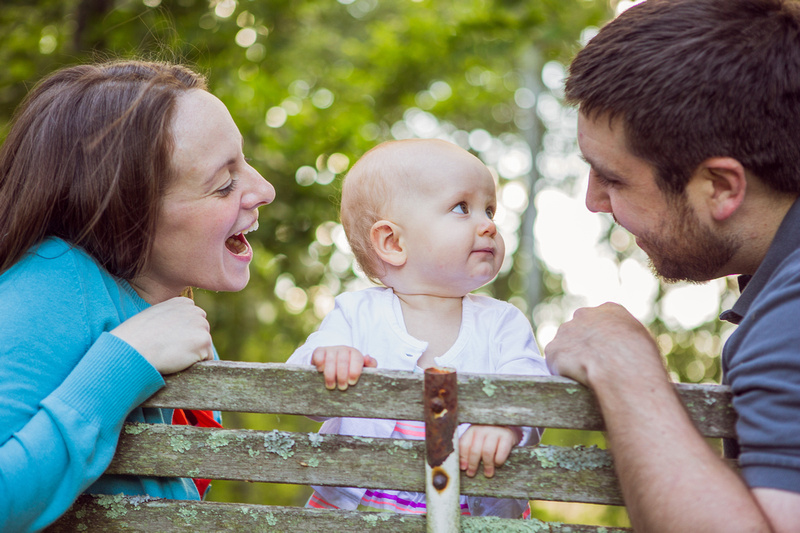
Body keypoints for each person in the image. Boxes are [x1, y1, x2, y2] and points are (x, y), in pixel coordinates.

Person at [543, 0, 800, 531]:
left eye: (612, 178)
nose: (594, 201)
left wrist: (623, 368)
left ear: (721, 187)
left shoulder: (790, 317)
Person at [0, 59, 276, 532]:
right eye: (224, 183)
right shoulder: (51, 285)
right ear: (126, 208)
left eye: (244, 163)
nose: (264, 189)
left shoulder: (164, 314)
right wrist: (124, 363)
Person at [287, 138, 549, 518]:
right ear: (393, 242)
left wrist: (503, 421)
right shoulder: (357, 315)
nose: (489, 225)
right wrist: (325, 359)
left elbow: (534, 388)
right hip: (358, 518)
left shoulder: (502, 323)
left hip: (475, 517)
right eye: (462, 208)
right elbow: (295, 387)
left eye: (490, 210)